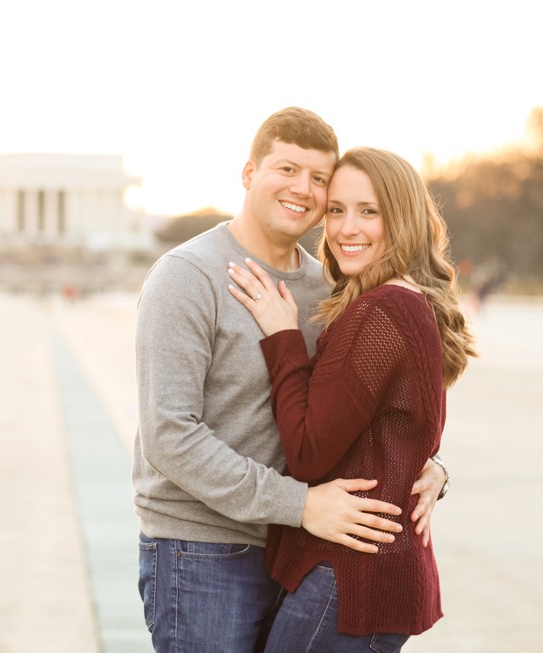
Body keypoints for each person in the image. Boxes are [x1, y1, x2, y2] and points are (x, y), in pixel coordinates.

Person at [132, 108, 449, 652]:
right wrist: (299, 505)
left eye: (319, 178)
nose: (303, 189)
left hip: (296, 546)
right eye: (286, 169)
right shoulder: (188, 275)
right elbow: (169, 434)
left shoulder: (330, 286)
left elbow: (380, 402)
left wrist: (432, 467)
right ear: (250, 173)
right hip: (203, 547)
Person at [226, 146, 476, 651]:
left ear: (401, 218)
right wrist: (436, 468)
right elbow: (406, 428)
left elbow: (308, 450)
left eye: (369, 212)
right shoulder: (408, 302)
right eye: (336, 210)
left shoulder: (378, 313)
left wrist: (282, 337)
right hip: (370, 570)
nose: (345, 229)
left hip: (348, 576)